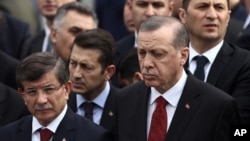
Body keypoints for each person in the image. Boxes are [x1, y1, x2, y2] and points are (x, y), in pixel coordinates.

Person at [115, 16, 240, 141]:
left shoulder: (218, 106)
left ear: (183, 55)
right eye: (142, 53)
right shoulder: (123, 100)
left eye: (158, 54)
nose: (146, 63)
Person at [0, 52, 113, 141]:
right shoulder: (6, 135)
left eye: (49, 89)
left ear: (67, 89)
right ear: (22, 95)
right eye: (32, 92)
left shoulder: (94, 137)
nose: (41, 100)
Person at [179, 0, 250, 124]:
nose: (212, 15)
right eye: (202, 6)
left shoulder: (245, 64)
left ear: (228, 17)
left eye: (219, 7)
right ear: (183, 16)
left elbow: (239, 126)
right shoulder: (170, 62)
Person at [113, 0, 174, 87]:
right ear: (130, 7)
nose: (150, 13)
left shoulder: (185, 52)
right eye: (142, 5)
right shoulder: (114, 52)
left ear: (170, 9)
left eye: (157, 5)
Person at [68, 28, 118, 132]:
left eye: (86, 67)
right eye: (73, 63)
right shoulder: (60, 104)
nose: (76, 74)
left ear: (108, 72)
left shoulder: (126, 107)